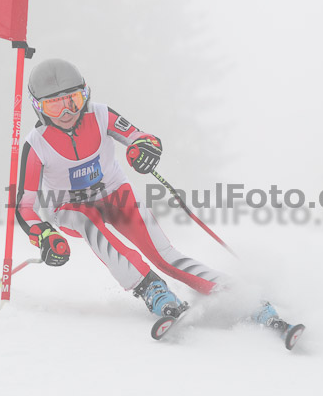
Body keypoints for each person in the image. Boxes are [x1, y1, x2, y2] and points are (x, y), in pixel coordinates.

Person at [16, 59, 299, 343]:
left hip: (115, 195)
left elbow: (141, 137)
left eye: (73, 100)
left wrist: (144, 148)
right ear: (38, 108)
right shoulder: (36, 144)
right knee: (84, 218)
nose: (67, 112)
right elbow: (25, 206)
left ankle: (243, 296)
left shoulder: (101, 116)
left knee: (164, 255)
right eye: (54, 106)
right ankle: (150, 288)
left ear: (85, 95)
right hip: (69, 208)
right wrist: (43, 235)